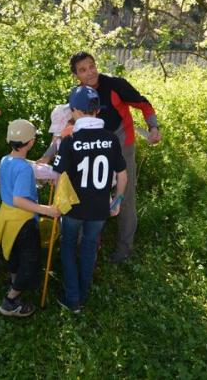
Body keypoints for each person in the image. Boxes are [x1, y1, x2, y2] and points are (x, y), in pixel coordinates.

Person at [68, 51, 161, 263]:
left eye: (91, 66)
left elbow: (144, 104)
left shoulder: (116, 85)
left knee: (125, 198)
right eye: (83, 70)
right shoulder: (77, 95)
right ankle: (90, 243)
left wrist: (153, 126)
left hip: (121, 146)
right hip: (93, 149)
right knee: (88, 195)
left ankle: (124, 249)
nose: (90, 72)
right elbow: (71, 123)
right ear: (76, 76)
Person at [52, 86, 127, 312]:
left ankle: (72, 297)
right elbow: (122, 175)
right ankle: (83, 294)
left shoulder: (70, 140)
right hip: (99, 209)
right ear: (96, 111)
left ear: (75, 110)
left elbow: (58, 177)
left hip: (73, 207)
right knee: (88, 248)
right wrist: (118, 200)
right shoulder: (111, 139)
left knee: (67, 247)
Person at [0, 119, 61, 317]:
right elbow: (19, 199)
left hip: (7, 217)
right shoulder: (24, 169)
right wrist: (47, 209)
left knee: (13, 254)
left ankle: (14, 280)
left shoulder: (5, 160)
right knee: (30, 261)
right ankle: (11, 300)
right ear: (31, 142)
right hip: (23, 221)